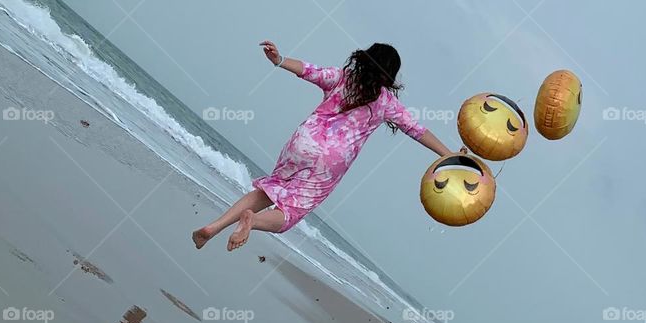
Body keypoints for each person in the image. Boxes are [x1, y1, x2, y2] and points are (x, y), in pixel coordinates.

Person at [193, 42, 455, 251]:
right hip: (329, 163)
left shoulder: (342, 77)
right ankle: (253, 221)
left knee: (268, 190)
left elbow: (309, 70)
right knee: (290, 212)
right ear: (389, 75)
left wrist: (280, 59)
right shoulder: (386, 103)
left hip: (302, 142)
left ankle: (213, 228)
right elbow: (418, 131)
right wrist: (448, 154)